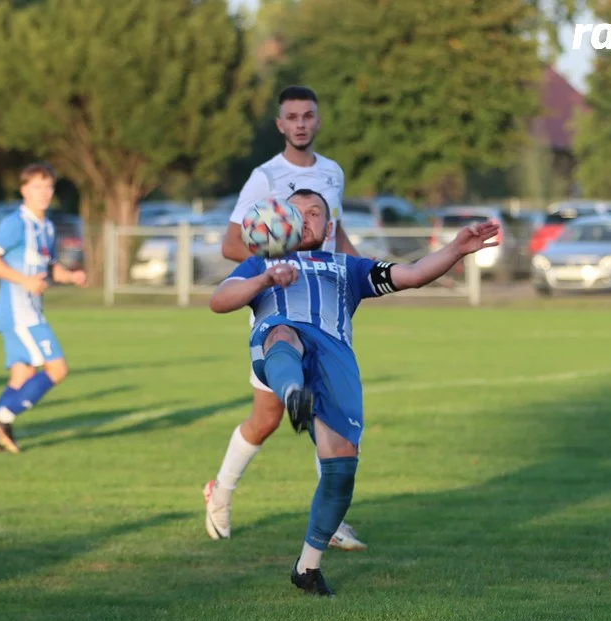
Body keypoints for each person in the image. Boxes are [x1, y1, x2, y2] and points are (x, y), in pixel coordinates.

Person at [209, 189, 498, 596]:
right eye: (299, 212)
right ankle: (293, 393)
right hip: (284, 345)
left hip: (335, 360)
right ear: (283, 220)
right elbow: (219, 301)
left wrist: (456, 248)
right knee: (282, 334)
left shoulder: (349, 268)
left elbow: (412, 274)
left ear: (330, 228)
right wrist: (264, 278)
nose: (307, 219)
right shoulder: (263, 263)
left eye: (316, 213)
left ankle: (307, 568)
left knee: (341, 464)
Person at [204, 85, 367, 550]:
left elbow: (337, 234)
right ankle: (220, 491)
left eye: (308, 115)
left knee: (328, 405)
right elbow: (231, 244)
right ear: (280, 124)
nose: (300, 123)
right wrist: (273, 258)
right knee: (267, 418)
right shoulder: (265, 177)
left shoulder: (332, 172)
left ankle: (330, 520)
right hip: (278, 305)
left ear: (318, 120)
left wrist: (365, 270)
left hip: (329, 303)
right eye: (291, 116)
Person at [0, 163, 88, 454]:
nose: (44, 193)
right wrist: (24, 280)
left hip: (28, 310)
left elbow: (48, 268)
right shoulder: (16, 223)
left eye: (48, 186)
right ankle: (1, 419)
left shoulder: (46, 226)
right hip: (17, 311)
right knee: (57, 369)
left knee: (21, 377)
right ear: (24, 190)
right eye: (37, 187)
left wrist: (70, 275)